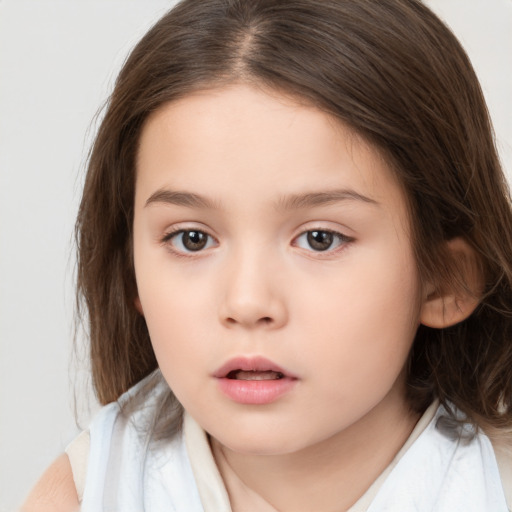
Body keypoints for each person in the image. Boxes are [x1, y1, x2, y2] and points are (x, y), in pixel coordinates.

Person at [22, 0, 512, 510]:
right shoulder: (87, 494)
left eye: (320, 238)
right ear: (131, 275)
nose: (248, 300)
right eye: (192, 238)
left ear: (444, 280)